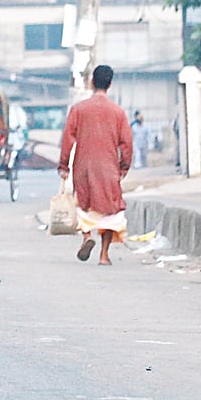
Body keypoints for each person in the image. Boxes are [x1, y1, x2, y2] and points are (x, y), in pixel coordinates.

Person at [58, 65, 133, 266]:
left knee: (84, 204)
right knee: (109, 209)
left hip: (84, 165)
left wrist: (64, 165)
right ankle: (104, 255)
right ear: (110, 84)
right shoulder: (118, 112)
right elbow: (126, 142)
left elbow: (67, 139)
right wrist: (124, 165)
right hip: (109, 166)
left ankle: (86, 236)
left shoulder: (78, 110)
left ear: (92, 82)